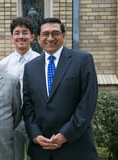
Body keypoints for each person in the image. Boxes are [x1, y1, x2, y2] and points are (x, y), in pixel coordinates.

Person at [23, 17, 98, 160]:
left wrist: (66, 134)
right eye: (45, 34)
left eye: (55, 33)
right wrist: (35, 135)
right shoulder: (30, 67)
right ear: (38, 38)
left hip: (75, 147)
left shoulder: (82, 60)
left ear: (63, 35)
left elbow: (87, 102)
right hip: (41, 150)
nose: (50, 38)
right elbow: (28, 106)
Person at [0, 17, 40, 160]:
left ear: (32, 36)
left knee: (35, 156)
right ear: (11, 37)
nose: (21, 36)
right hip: (13, 120)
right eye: (17, 33)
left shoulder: (40, 61)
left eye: (25, 32)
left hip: (36, 120)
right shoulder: (4, 65)